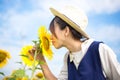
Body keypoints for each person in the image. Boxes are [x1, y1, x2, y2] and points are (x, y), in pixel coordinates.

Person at [30, 6, 120, 80]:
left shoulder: (100, 50)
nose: (50, 36)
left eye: (53, 31)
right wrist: (41, 59)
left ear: (66, 31)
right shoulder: (68, 58)